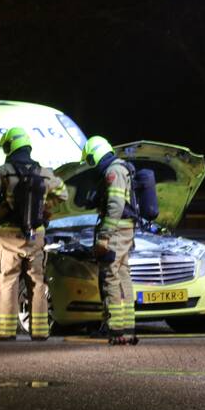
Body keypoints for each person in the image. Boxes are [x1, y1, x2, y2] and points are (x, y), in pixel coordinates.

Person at [0, 126, 68, 341]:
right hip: (35, 236)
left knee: (8, 280)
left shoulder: (4, 171)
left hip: (9, 234)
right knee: (37, 282)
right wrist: (45, 207)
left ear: (10, 147)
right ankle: (40, 330)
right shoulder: (43, 172)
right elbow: (63, 193)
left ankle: (6, 331)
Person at [81, 136, 138, 345]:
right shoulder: (120, 168)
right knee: (123, 276)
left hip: (116, 232)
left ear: (94, 154)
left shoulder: (113, 171)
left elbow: (115, 205)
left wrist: (104, 235)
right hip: (125, 230)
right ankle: (127, 327)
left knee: (111, 277)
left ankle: (116, 329)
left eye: (89, 159)